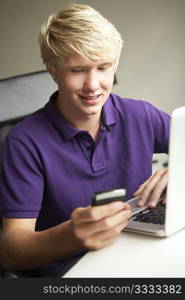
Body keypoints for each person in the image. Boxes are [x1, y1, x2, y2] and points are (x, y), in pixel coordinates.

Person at [0, 4, 169, 277]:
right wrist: (70, 236)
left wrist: (179, 173)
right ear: (53, 70)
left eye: (103, 68)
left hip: (135, 257)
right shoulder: (23, 143)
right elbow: (11, 250)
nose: (93, 84)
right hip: (68, 274)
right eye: (77, 70)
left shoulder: (141, 114)